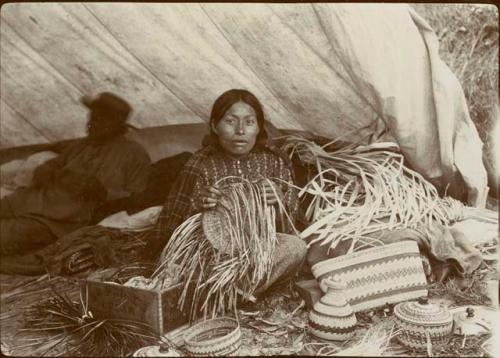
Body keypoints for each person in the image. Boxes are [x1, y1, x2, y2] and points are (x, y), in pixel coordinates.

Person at [144, 89, 307, 293]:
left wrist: (279, 203)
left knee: (294, 247)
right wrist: (198, 209)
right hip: (214, 254)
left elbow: (293, 227)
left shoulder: (274, 162)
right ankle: (233, 290)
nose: (240, 131)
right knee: (185, 266)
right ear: (215, 126)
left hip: (261, 250)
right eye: (230, 121)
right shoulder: (200, 165)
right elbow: (174, 232)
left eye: (249, 122)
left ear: (258, 128)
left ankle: (224, 292)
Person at [1, 92, 151, 258]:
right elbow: (45, 169)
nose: (90, 124)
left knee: (6, 235)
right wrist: (52, 173)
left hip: (60, 221)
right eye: (91, 118)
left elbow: (137, 198)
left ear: (115, 124)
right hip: (28, 202)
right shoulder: (80, 145)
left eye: (97, 119)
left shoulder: (135, 154)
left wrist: (101, 191)